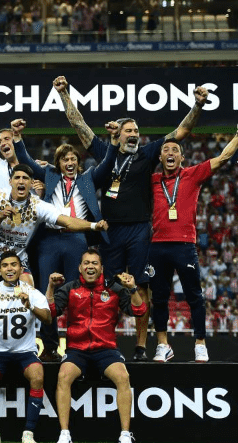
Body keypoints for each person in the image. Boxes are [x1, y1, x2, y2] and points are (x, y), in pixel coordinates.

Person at [54, 75, 209, 361]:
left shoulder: (148, 153)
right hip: (110, 230)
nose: (134, 134)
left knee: (141, 286)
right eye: (129, 130)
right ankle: (106, 343)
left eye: (136, 130)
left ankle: (140, 347)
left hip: (140, 230)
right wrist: (64, 94)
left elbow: (182, 131)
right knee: (109, 287)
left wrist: (197, 105)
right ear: (119, 134)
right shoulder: (106, 151)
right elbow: (80, 126)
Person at [12, 118, 116, 361]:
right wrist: (17, 138)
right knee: (44, 293)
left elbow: (108, 164)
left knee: (76, 294)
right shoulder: (49, 175)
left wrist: (112, 142)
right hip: (48, 240)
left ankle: (75, 347)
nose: (69, 163)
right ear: (58, 163)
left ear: (78, 162)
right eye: (64, 159)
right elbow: (26, 161)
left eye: (73, 159)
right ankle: (49, 347)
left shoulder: (88, 179)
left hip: (76, 239)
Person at [148, 130, 238, 362]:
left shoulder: (192, 174)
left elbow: (223, 158)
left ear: (182, 158)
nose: (170, 153)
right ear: (160, 157)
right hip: (157, 245)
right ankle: (163, 345)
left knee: (195, 297)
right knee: (159, 298)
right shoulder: (152, 180)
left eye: (175, 150)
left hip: (184, 245)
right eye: (166, 150)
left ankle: (200, 343)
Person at [46, 249, 147, 443]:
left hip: (106, 349)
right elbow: (51, 311)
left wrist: (133, 288)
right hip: (76, 350)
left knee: (123, 377)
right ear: (80, 268)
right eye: (86, 263)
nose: (90, 266)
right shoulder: (70, 288)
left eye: (94, 263)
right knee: (63, 376)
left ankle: (125, 434)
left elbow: (139, 310)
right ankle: (64, 433)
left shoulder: (114, 288)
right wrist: (50, 287)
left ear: (101, 268)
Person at [0, 164, 108, 305]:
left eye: (25, 178)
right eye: (17, 178)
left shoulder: (38, 205)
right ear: (10, 181)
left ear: (31, 183)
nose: (21, 181)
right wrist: (0, 217)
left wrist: (94, 226)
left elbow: (67, 221)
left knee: (27, 296)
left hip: (17, 257)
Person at [0, 251, 51, 443]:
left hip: (25, 352)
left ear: (20, 268)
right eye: (5, 265)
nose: (9, 269)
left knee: (37, 375)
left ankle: (29, 432)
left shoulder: (32, 292)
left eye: (13, 265)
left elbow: (48, 318)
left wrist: (30, 305)